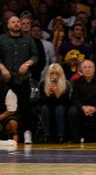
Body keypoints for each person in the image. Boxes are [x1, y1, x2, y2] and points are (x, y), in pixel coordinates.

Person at [0, 15, 39, 144]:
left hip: (22, 78)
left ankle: (26, 132)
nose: (16, 24)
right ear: (8, 25)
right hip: (6, 78)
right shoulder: (2, 39)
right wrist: (3, 69)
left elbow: (35, 56)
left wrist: (27, 64)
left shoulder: (28, 39)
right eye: (13, 22)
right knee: (4, 106)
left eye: (18, 22)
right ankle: (5, 133)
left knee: (25, 107)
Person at [39, 63, 71, 143]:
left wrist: (57, 93)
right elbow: (41, 101)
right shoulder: (43, 84)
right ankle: (46, 135)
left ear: (60, 74)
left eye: (57, 73)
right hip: (48, 106)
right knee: (44, 108)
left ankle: (61, 135)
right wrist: (48, 93)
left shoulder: (66, 84)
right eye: (52, 73)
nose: (54, 76)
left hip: (61, 106)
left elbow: (66, 102)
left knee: (59, 109)